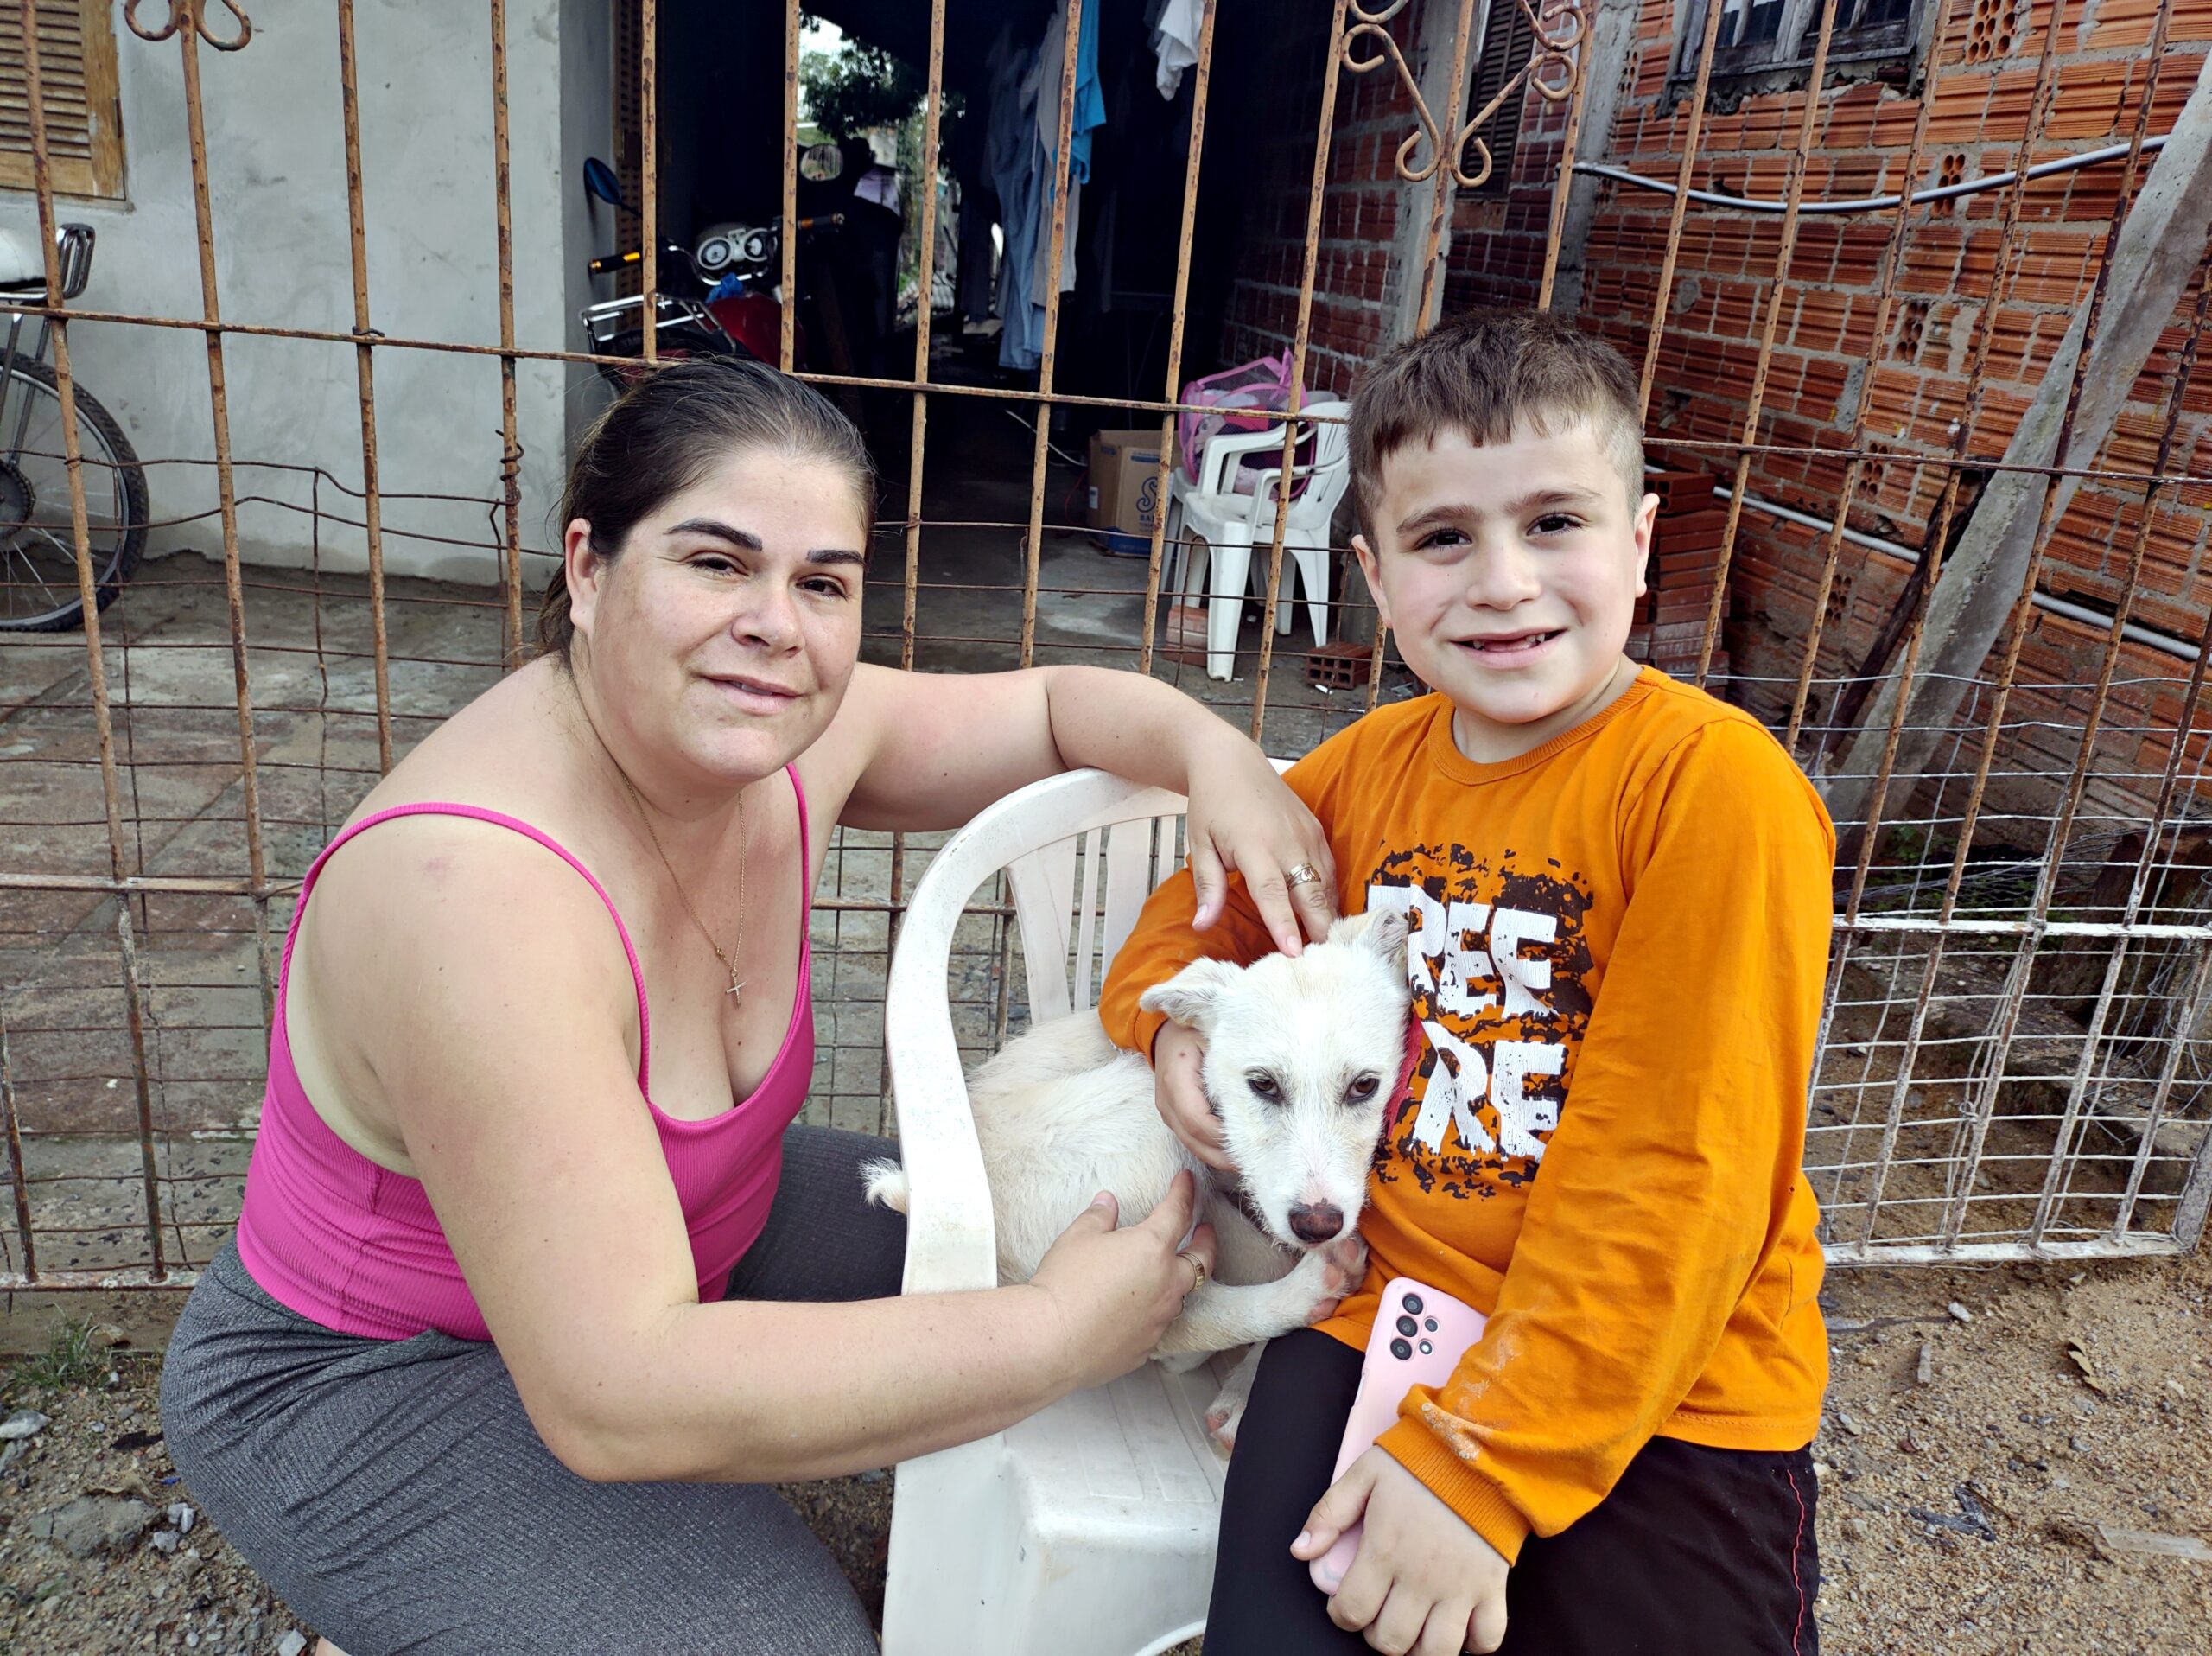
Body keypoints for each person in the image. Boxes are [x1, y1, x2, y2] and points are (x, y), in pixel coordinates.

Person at [159, 356, 1339, 1655]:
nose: (776, 625)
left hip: (692, 1239)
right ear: (588, 569)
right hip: (379, 1374)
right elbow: (616, 1393)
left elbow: (1060, 707)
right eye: (717, 563)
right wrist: (1052, 1336)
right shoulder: (473, 897)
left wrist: (1215, 752)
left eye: (823, 583)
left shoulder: (794, 733)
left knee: (1093, 1226)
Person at [1100, 310, 1831, 1656]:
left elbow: (1680, 1170)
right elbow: (1182, 940)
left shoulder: (1714, 790)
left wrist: (1479, 1466)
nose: (1503, 582)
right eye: (1444, 539)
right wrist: (1172, 1045)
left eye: (1554, 523)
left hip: (1672, 1376)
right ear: (1375, 578)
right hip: (1374, 1307)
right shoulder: (1361, 771)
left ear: (1642, 540)